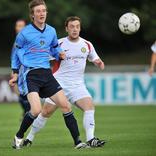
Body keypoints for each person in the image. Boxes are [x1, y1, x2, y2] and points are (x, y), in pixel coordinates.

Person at [9, 0, 86, 149]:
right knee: (36, 110)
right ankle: (18, 136)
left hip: (47, 74)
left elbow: (54, 48)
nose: (41, 13)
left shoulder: (51, 31)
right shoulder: (24, 33)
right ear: (32, 15)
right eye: (38, 11)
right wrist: (15, 73)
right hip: (31, 74)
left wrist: (59, 54)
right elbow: (15, 54)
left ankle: (78, 142)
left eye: (43, 10)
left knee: (66, 106)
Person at [23, 16, 106, 148]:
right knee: (45, 113)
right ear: (66, 29)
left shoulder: (87, 44)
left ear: (80, 28)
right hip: (58, 84)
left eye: (77, 26)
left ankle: (91, 139)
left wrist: (99, 63)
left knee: (89, 107)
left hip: (78, 85)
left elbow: (95, 59)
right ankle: (29, 138)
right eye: (72, 26)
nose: (75, 29)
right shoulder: (59, 44)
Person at [13, 19, 31, 117]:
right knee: (19, 93)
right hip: (17, 71)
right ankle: (27, 112)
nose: (19, 28)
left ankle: (29, 113)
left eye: (21, 26)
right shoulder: (17, 40)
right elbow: (14, 57)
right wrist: (13, 70)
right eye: (18, 26)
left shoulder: (26, 40)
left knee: (25, 93)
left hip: (25, 71)